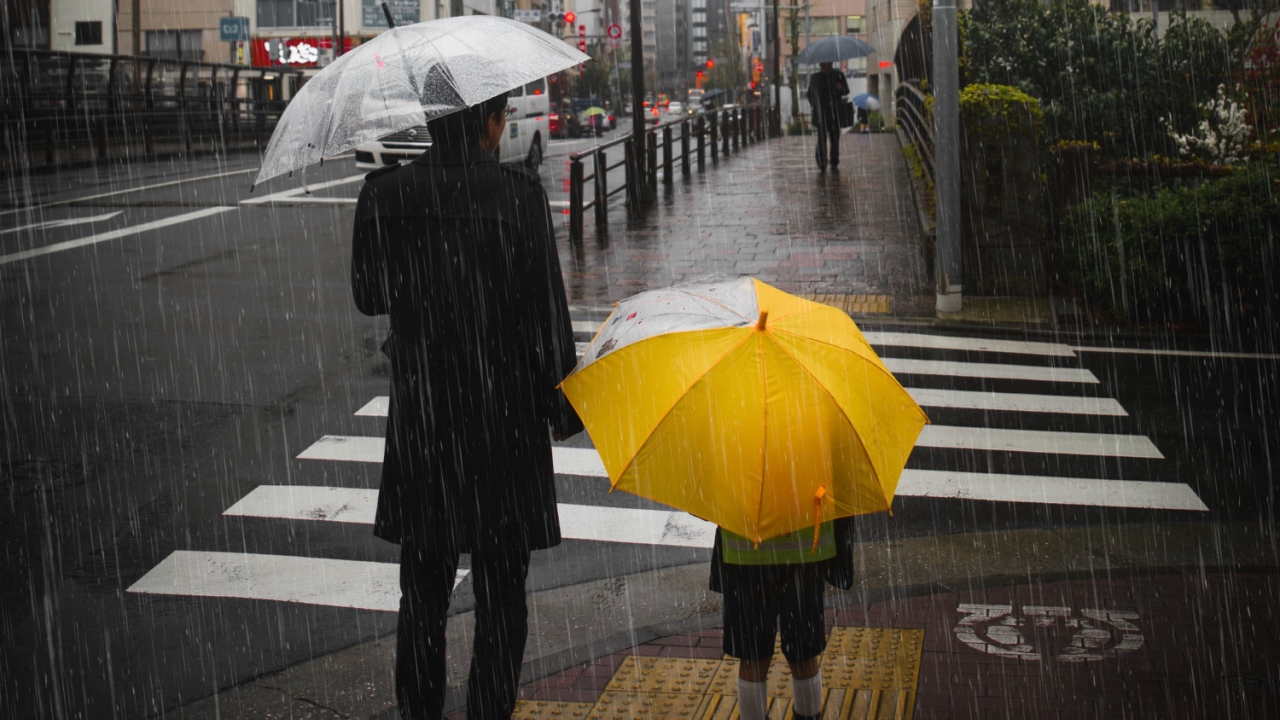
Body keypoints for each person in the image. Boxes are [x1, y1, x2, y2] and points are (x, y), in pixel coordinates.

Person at [351, 91, 583, 720]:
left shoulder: (384, 195)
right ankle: (488, 709)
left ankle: (418, 710)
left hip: (425, 421)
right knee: (502, 592)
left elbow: (369, 295)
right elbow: (546, 318)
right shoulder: (518, 196)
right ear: (490, 122)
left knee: (422, 592)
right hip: (503, 421)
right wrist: (562, 406)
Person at [709, 515, 856, 720]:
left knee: (753, 657)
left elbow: (707, 503)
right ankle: (807, 716)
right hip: (805, 554)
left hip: (745, 555)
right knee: (804, 652)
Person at [805, 62, 850, 171]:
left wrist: (841, 88)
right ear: (820, 66)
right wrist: (816, 106)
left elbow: (846, 91)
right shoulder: (815, 77)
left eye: (828, 66)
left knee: (835, 137)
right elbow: (809, 94)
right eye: (824, 66)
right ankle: (822, 161)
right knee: (822, 138)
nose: (826, 68)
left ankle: (834, 159)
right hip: (821, 112)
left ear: (831, 64)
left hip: (835, 111)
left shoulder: (838, 75)